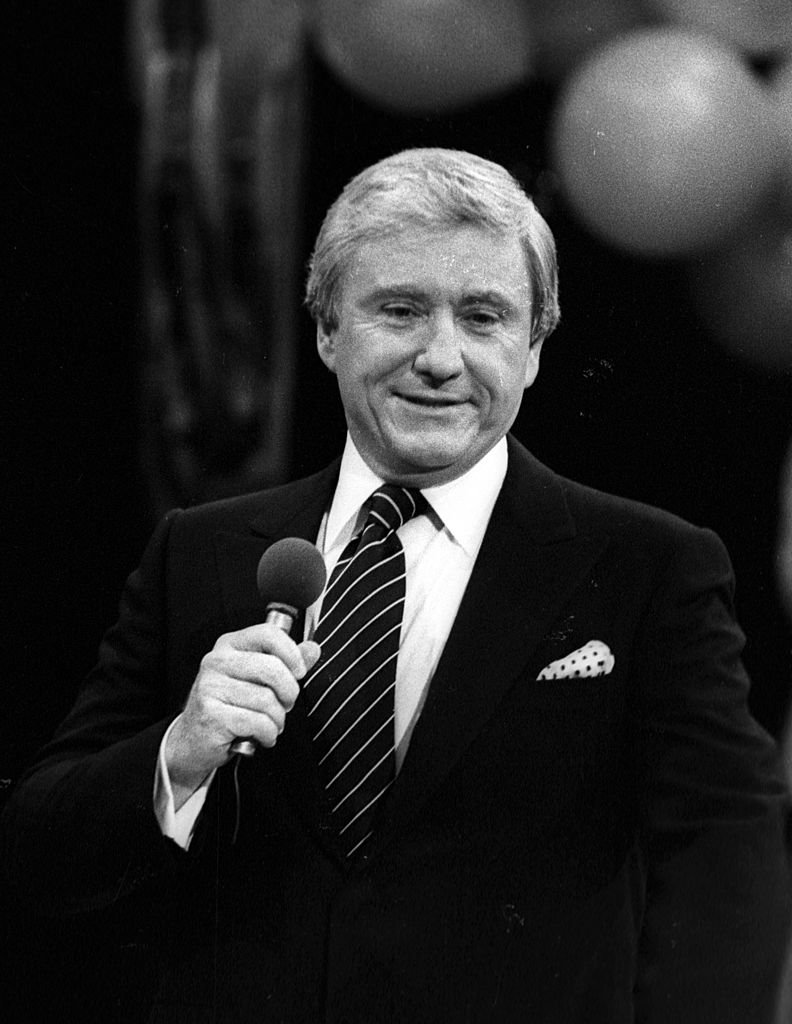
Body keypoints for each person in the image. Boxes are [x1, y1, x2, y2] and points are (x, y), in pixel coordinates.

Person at [2, 147, 790, 1023]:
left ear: (533, 350)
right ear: (328, 330)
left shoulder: (651, 567)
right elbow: (36, 851)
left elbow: (729, 861)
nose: (442, 359)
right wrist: (176, 756)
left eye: (484, 317)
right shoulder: (203, 551)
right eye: (401, 310)